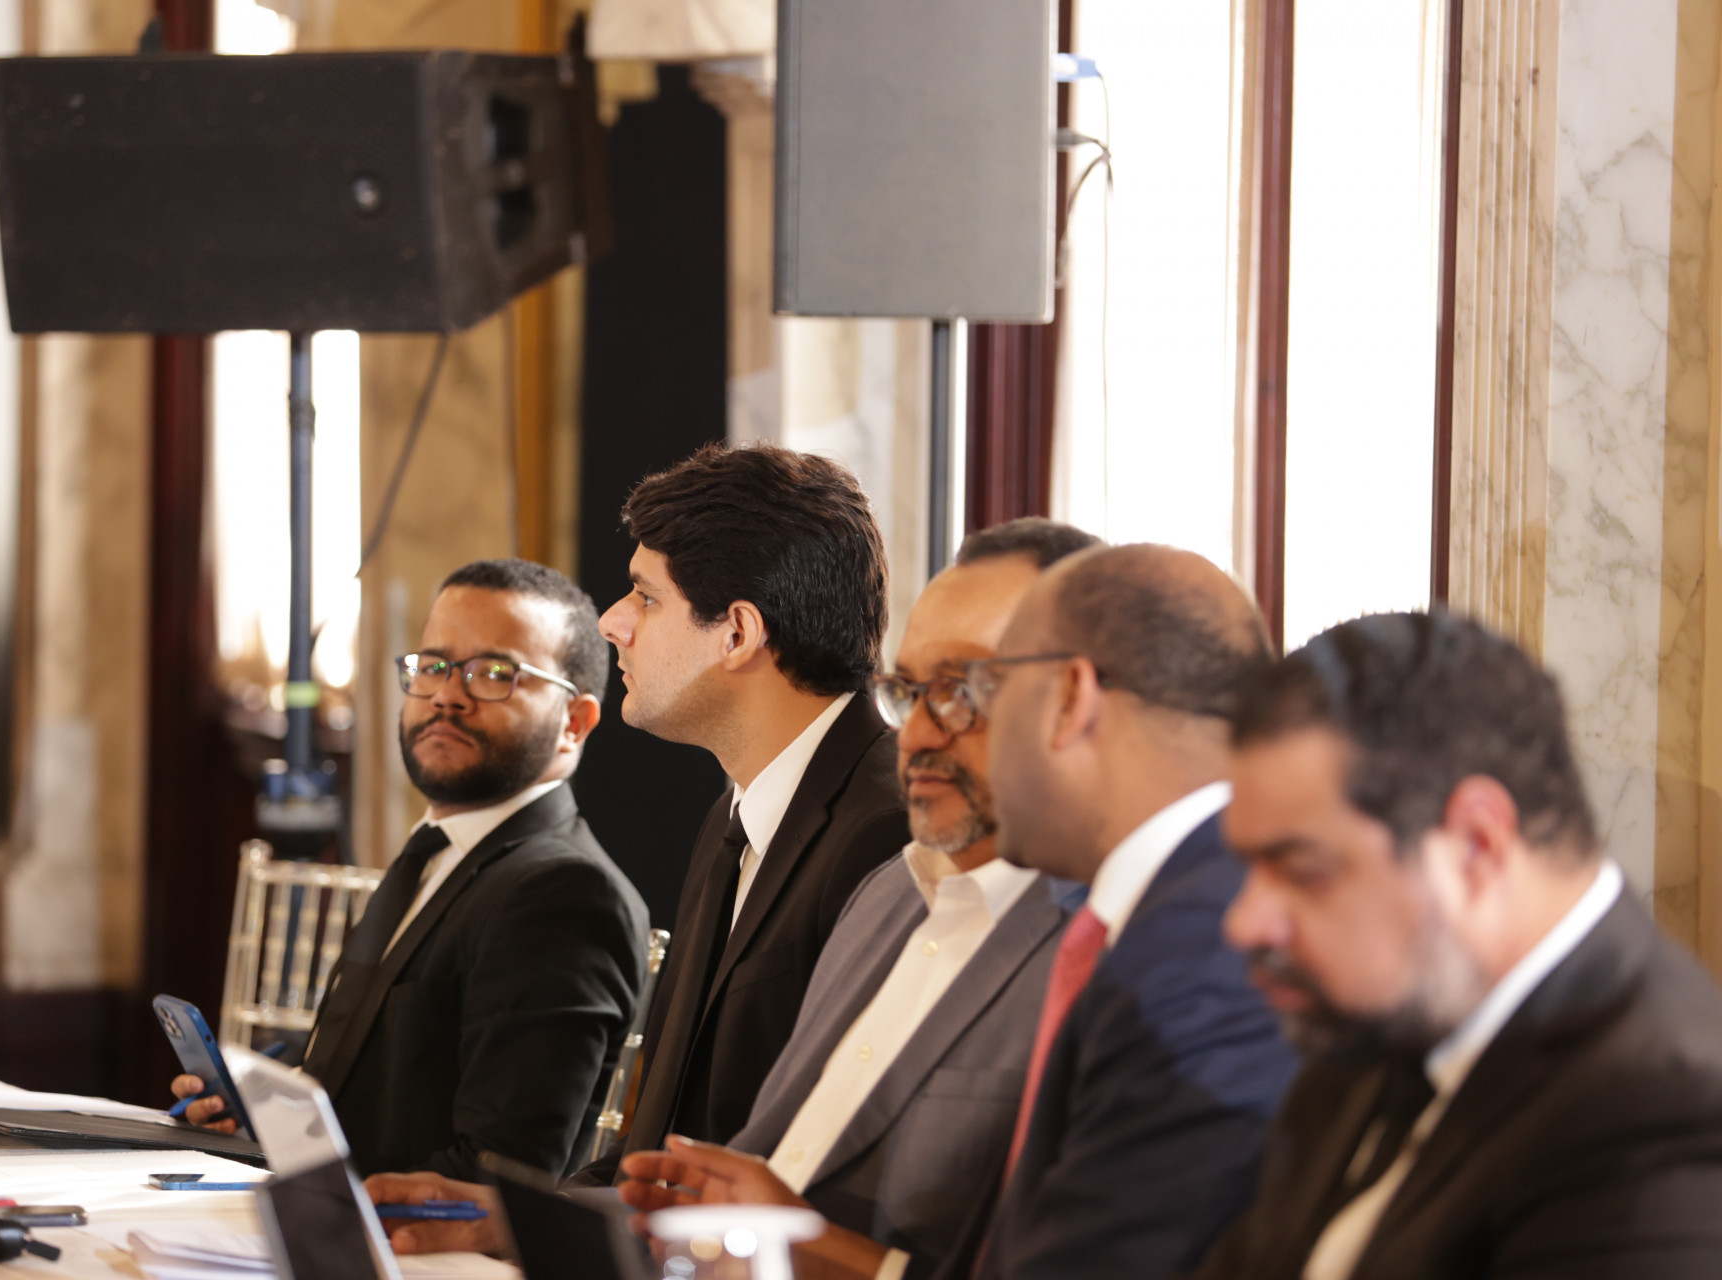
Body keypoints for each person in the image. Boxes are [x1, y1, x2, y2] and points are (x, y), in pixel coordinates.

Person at [367, 441, 910, 1253]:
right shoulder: (733, 817)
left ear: (736, 634)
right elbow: (659, 1159)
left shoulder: (888, 833)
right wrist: (503, 1218)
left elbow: (824, 1186)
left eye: (646, 598)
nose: (612, 622)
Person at [616, 518, 1102, 1279]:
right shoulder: (891, 893)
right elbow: (757, 1177)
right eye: (908, 693)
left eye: (961, 691)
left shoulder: (1112, 942)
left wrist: (832, 1259)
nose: (916, 735)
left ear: (1077, 700)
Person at [1192, 611, 1722, 1279]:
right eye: (1249, 868)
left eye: (1302, 871)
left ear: (1477, 844)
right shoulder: (1382, 1019)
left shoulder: (1663, 1110)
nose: (1244, 923)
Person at [173, 559, 648, 1180]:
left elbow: (495, 1175)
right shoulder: (435, 853)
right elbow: (370, 1087)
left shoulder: (564, 894)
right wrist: (256, 1110)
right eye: (433, 666)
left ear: (574, 723)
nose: (447, 694)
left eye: (493, 673)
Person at [957, 542, 1299, 1280]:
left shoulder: (1210, 959)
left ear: (1070, 699)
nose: (973, 730)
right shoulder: (1179, 915)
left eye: (988, 687)